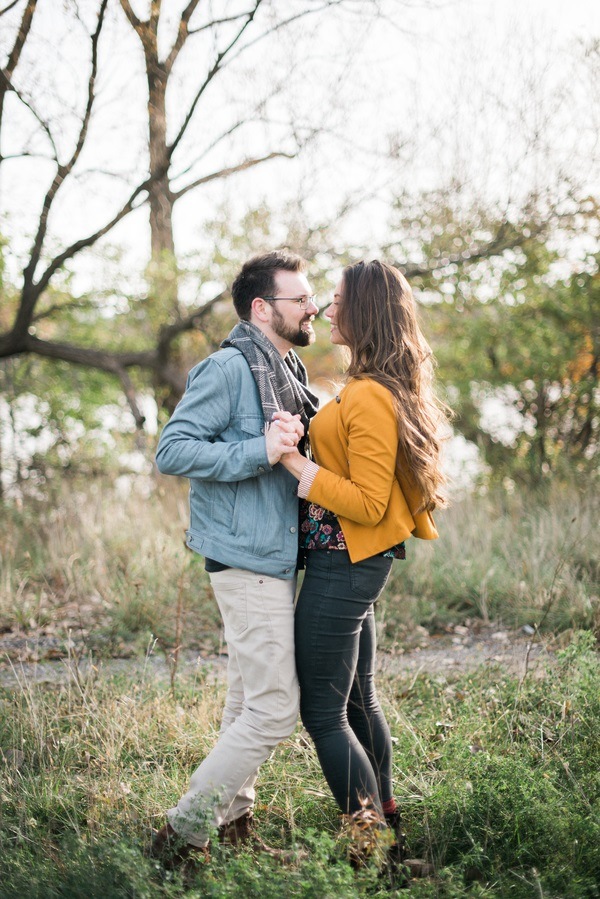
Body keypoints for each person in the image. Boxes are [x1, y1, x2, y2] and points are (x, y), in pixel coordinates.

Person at [274, 259, 450, 857]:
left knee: (323, 713)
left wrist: (295, 464)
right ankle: (388, 820)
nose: (325, 307)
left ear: (366, 310)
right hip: (352, 561)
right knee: (355, 701)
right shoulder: (366, 388)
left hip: (344, 562)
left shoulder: (371, 396)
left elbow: (371, 504)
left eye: (338, 297)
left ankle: (371, 843)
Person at [153, 250, 319, 863]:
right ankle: (180, 834)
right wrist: (259, 449)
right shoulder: (227, 369)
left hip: (273, 555)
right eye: (298, 298)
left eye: (309, 297)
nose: (311, 307)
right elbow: (172, 452)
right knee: (276, 709)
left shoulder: (287, 369)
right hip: (245, 557)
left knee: (246, 701)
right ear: (261, 307)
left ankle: (234, 826)